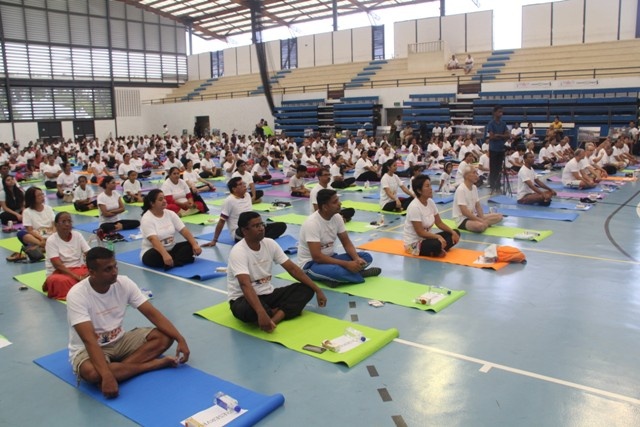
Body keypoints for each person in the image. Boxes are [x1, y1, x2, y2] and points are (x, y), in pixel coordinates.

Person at [67, 247, 190, 398]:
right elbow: (89, 340)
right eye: (107, 269)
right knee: (92, 373)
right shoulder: (77, 295)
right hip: (89, 348)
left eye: (115, 266)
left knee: (165, 337)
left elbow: (152, 314)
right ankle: (151, 365)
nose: (114, 272)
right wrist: (106, 376)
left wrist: (180, 338)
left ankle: (119, 369)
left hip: (120, 340)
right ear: (92, 272)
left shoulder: (124, 283)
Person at [227, 211, 327, 332]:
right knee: (248, 311)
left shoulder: (270, 244)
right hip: (243, 299)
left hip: (268, 295)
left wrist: (318, 290)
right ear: (244, 230)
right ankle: (280, 311)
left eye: (262, 224)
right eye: (256, 226)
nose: (261, 228)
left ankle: (275, 317)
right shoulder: (238, 251)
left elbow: (293, 269)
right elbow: (245, 285)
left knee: (306, 288)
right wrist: (260, 312)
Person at [297, 189, 381, 287]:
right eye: (335, 202)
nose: (340, 203)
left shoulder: (337, 217)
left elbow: (346, 243)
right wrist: (346, 264)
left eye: (338, 200)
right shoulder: (312, 223)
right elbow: (317, 257)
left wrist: (356, 259)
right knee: (338, 272)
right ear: (325, 207)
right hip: (311, 264)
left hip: (331, 258)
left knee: (366, 257)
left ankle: (334, 278)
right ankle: (359, 274)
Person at [203, 177, 286, 246]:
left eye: (243, 183)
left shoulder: (247, 196)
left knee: (282, 226)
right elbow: (221, 221)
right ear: (234, 189)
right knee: (253, 230)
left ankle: (260, 239)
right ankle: (260, 238)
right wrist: (214, 240)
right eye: (240, 184)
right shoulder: (229, 201)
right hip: (240, 231)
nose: (244, 185)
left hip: (254, 226)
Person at [140, 189, 202, 269]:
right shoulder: (147, 218)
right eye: (160, 199)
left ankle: (172, 262)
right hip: (155, 251)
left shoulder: (170, 214)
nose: (164, 201)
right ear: (152, 203)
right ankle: (178, 260)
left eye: (164, 198)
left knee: (192, 244)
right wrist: (165, 255)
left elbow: (183, 230)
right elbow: (153, 240)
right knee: (151, 257)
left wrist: (194, 244)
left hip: (172, 248)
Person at [403, 175, 460, 257]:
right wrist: (437, 236)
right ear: (419, 190)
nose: (431, 188)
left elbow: (439, 223)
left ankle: (437, 250)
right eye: (427, 186)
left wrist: (452, 232)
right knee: (436, 243)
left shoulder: (430, 202)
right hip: (414, 244)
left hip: (426, 239)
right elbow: (420, 232)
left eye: (430, 185)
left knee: (455, 233)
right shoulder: (414, 207)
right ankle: (436, 249)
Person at [43, 212, 90, 300]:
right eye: (63, 222)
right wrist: (77, 277)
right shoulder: (51, 240)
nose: (67, 224)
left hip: (79, 268)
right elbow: (57, 265)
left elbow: (89, 254)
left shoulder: (77, 235)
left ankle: (81, 288)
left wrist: (92, 269)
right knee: (61, 281)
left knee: (97, 274)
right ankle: (80, 291)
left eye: (69, 221)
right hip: (60, 272)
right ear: (56, 225)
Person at [452, 168, 503, 232]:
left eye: (476, 173)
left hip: (473, 216)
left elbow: (478, 206)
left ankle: (484, 223)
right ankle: (483, 224)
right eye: (474, 173)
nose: (477, 175)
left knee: (499, 216)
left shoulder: (474, 187)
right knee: (480, 226)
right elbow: (464, 212)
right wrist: (480, 220)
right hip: (462, 219)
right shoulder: (461, 189)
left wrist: (482, 218)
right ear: (466, 176)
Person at [18, 186, 55, 250]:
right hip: (37, 236)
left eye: (42, 194)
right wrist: (41, 239)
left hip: (51, 235)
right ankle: (41, 245)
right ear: (32, 198)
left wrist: (53, 235)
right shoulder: (27, 212)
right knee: (21, 234)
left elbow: (54, 224)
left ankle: (42, 246)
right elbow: (30, 230)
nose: (42, 196)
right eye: (39, 195)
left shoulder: (48, 208)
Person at [486, 106, 510, 194]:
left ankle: (498, 186)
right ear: (495, 113)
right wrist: (502, 136)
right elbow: (491, 136)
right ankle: (493, 186)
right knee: (493, 169)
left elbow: (508, 135)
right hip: (493, 149)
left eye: (502, 112)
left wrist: (498, 135)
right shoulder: (491, 123)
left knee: (499, 169)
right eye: (499, 112)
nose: (501, 114)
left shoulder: (503, 124)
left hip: (501, 149)